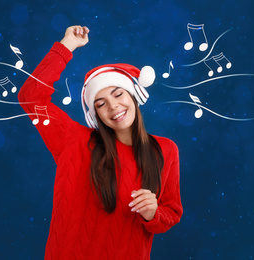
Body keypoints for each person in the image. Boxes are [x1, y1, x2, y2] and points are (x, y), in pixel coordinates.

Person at [18, 25, 182, 260]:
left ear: (133, 96)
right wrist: (67, 45)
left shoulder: (166, 150)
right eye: (100, 103)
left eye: (118, 94)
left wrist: (153, 213)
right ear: (95, 114)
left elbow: (170, 214)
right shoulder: (74, 140)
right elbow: (30, 97)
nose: (113, 106)